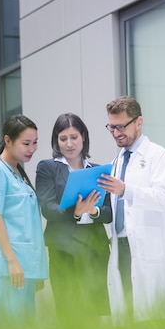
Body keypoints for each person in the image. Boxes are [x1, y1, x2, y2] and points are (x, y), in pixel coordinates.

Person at [98, 95, 165, 323]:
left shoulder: (157, 155)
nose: (116, 133)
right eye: (111, 127)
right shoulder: (116, 162)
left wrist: (126, 190)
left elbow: (162, 198)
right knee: (127, 321)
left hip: (148, 249)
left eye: (121, 126)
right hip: (121, 249)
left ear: (139, 122)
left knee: (154, 322)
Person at [36, 113, 112, 318]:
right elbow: (47, 208)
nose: (69, 144)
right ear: (56, 140)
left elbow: (109, 213)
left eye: (74, 137)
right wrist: (75, 213)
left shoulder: (98, 170)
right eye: (63, 139)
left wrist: (92, 210)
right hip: (63, 250)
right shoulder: (48, 167)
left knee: (98, 311)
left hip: (95, 248)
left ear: (83, 137)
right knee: (70, 312)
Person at [0, 114, 48, 322]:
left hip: (24, 268)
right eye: (26, 143)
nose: (32, 148)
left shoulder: (17, 173)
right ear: (8, 140)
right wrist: (12, 262)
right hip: (7, 268)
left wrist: (34, 269)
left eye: (35, 142)